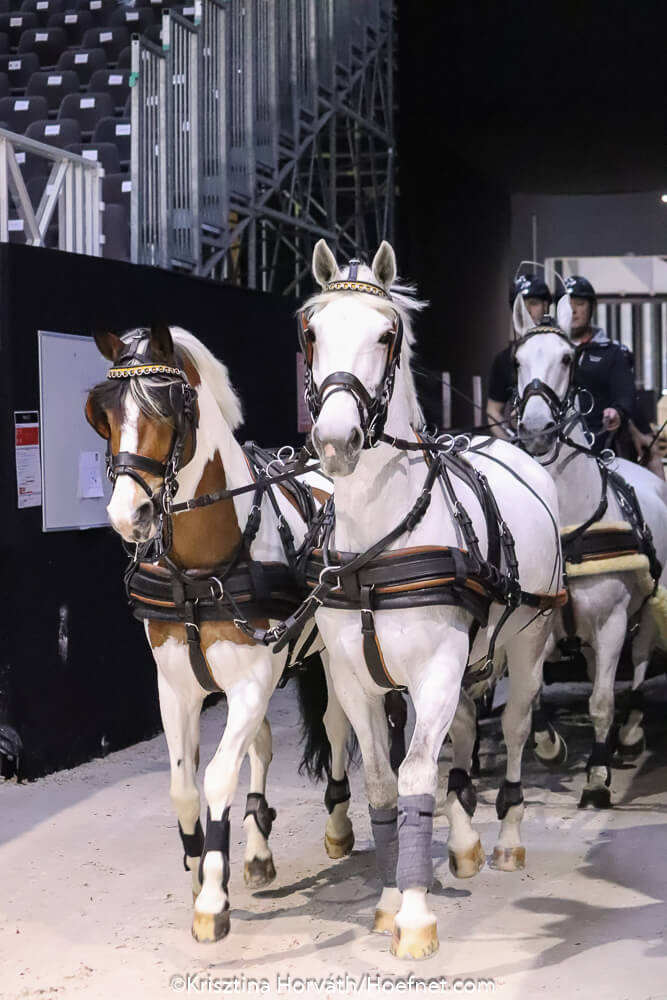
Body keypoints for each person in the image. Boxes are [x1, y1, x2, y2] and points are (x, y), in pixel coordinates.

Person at [563, 275, 636, 454]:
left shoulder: (613, 352)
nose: (573, 311)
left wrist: (617, 411)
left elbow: (625, 394)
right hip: (554, 444)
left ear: (592, 307)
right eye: (566, 305)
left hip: (601, 445)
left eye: (579, 304)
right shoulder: (546, 350)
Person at [486, 274, 552, 439]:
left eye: (534, 304)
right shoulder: (504, 359)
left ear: (546, 306)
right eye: (520, 305)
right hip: (523, 441)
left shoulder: (561, 354)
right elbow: (493, 411)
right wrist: (512, 442)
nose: (527, 311)